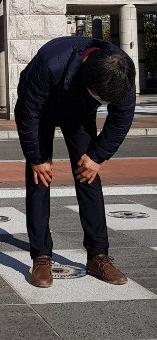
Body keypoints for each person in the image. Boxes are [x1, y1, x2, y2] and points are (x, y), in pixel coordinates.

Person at [15, 36, 136, 288]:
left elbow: (122, 116)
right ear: (88, 79)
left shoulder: (120, 72)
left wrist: (97, 156)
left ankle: (98, 256)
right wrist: (37, 158)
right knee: (39, 178)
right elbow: (28, 112)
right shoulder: (50, 64)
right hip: (41, 109)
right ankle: (41, 256)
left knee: (88, 174)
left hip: (80, 112)